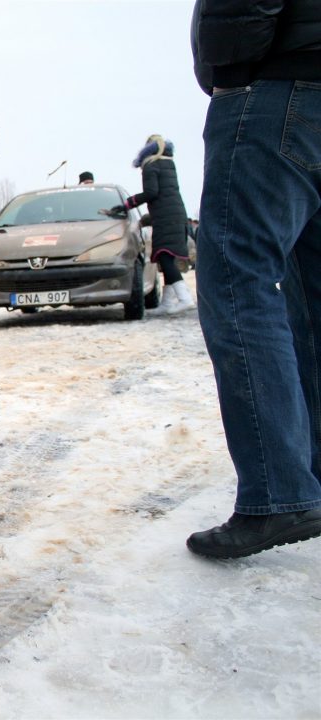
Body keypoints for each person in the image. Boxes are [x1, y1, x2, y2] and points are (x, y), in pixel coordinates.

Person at [185, 0, 321, 559]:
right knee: (311, 295)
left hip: (274, 90)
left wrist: (231, 63)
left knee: (239, 284)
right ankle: (307, 476)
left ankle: (278, 492)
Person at [109, 135, 194, 315]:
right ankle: (167, 303)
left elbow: (151, 192)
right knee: (166, 258)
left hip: (164, 218)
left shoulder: (151, 165)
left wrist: (127, 204)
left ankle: (185, 298)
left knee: (164, 257)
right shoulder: (169, 164)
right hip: (177, 215)